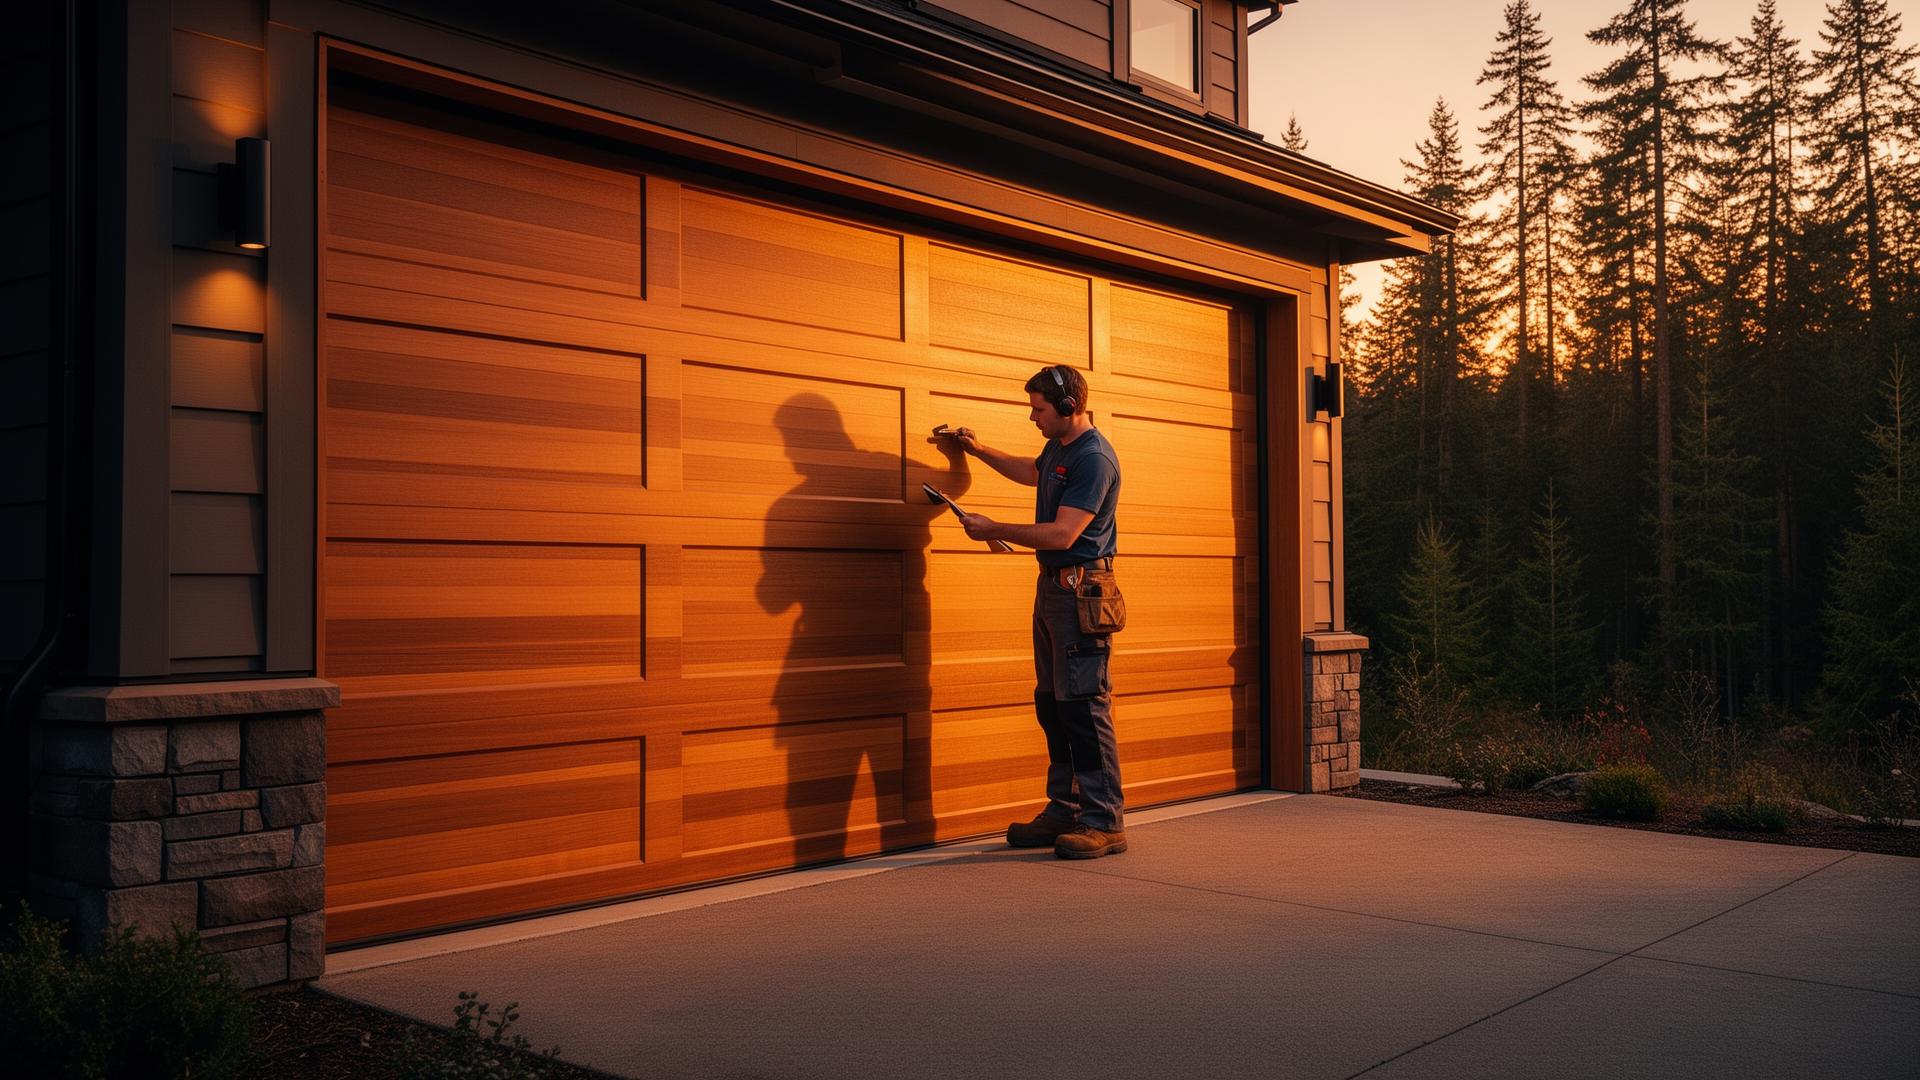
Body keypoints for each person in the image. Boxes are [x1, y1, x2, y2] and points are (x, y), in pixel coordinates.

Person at [941, 365, 1126, 859]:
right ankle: (1064, 810)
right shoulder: (1061, 450)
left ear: (1069, 407)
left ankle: (1104, 821)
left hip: (1081, 592)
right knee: (1053, 705)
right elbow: (1032, 471)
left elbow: (1063, 535)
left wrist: (991, 527)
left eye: (1039, 409)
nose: (1032, 417)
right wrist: (978, 451)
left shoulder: (1094, 459)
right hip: (1053, 591)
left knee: (1084, 707)